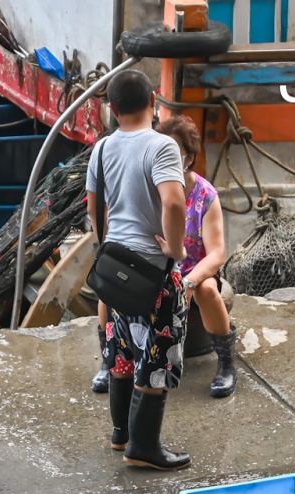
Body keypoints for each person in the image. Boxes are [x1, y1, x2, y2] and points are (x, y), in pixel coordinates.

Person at [86, 68, 191, 470]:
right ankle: (144, 448)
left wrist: (107, 245)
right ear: (153, 101)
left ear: (113, 110)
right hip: (154, 272)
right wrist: (176, 249)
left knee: (122, 347)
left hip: (117, 268)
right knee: (158, 355)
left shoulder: (101, 149)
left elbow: (94, 206)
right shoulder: (162, 146)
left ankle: (121, 435)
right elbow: (174, 202)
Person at [158, 115, 236, 399]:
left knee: (206, 290)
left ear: (189, 158)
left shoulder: (205, 195)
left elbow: (217, 254)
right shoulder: (151, 187)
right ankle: (113, 361)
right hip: (158, 268)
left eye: (173, 154)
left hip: (196, 272)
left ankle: (226, 363)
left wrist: (188, 283)